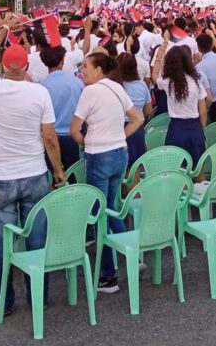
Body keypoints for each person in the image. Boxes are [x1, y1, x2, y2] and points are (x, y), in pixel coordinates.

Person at [0, 21, 65, 317]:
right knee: (37, 240)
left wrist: (3, 27)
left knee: (2, 244)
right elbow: (50, 139)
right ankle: (38, 297)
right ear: (27, 64)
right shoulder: (39, 93)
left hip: (1, 177)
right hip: (34, 174)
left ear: (4, 67)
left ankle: (1, 302)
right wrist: (58, 171)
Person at [71, 52, 144, 295]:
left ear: (99, 70)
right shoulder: (116, 87)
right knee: (112, 207)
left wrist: (88, 141)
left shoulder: (90, 92)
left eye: (86, 67)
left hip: (99, 155)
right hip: (119, 153)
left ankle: (108, 275)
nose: (83, 71)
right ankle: (131, 253)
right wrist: (119, 136)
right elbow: (138, 118)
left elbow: (74, 129)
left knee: (100, 212)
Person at [156, 44, 208, 165]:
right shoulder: (196, 81)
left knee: (176, 166)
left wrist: (159, 56)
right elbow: (203, 111)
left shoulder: (167, 82)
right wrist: (201, 129)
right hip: (195, 126)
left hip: (176, 127)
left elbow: (154, 77)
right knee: (198, 166)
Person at [39, 45, 85, 170]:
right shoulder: (77, 83)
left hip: (50, 137)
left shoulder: (41, 86)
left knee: (54, 175)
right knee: (75, 174)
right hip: (74, 136)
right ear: (62, 62)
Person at [113, 52, 151, 168]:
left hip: (117, 128)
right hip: (136, 130)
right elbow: (148, 111)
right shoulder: (142, 85)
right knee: (135, 168)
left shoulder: (114, 87)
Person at [195, 32, 216, 121]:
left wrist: (205, 108)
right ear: (212, 45)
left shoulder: (198, 68)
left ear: (198, 48)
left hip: (214, 106)